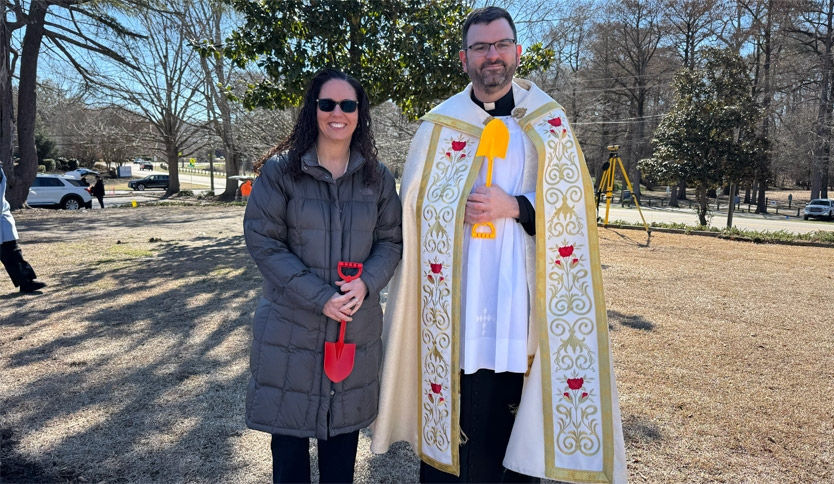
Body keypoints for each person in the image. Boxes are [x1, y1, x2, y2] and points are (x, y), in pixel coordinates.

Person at [371, 7, 627, 484]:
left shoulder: (548, 123)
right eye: (480, 47)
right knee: (457, 426)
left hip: (519, 305)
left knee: (509, 429)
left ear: (517, 51)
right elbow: (414, 207)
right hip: (457, 304)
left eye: (501, 44)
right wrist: (451, 206)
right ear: (464, 58)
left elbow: (574, 207)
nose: (492, 55)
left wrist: (515, 206)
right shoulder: (440, 125)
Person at [243, 68, 403, 484]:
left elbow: (391, 241)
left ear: (359, 113)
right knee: (289, 456)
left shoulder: (378, 178)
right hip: (290, 331)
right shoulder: (280, 172)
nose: (337, 113)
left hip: (353, 330)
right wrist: (320, 297)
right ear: (313, 110)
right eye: (327, 103)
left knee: (341, 455)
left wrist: (367, 282)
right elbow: (265, 243)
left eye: (348, 104)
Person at [1, 166, 47, 293]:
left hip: (3, 222)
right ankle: (25, 282)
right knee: (12, 253)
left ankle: (25, 282)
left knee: (12, 254)